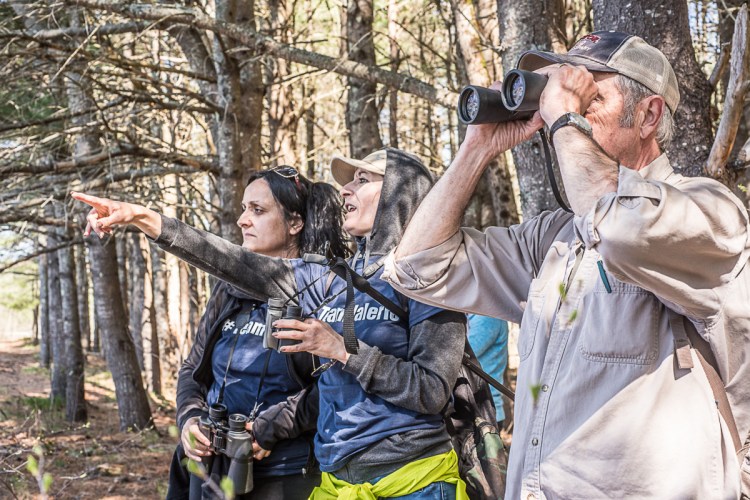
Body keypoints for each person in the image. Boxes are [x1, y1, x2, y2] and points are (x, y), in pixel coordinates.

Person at [382, 31, 750, 498]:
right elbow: (419, 267)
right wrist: (477, 147)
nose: (564, 106)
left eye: (588, 93)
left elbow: (622, 228)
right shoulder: (554, 237)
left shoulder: (709, 210)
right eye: (560, 91)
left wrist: (562, 118)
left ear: (648, 115)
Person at [74, 148, 468, 499]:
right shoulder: (329, 278)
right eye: (348, 182)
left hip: (413, 480)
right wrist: (145, 218)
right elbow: (231, 261)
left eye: (362, 180)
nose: (345, 190)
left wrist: (341, 350)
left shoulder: (430, 280)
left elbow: (432, 390)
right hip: (339, 480)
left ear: (401, 193)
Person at [153, 167, 348, 499]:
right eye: (244, 209)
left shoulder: (324, 291)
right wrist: (189, 419)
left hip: (286, 473)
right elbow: (192, 368)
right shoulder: (229, 290)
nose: (243, 220)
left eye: (257, 210)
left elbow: (337, 385)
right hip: (210, 468)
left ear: (295, 223)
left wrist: (268, 428)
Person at [466, 314, 508, 426]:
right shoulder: (473, 316)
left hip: (486, 412)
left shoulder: (489, 317)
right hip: (475, 411)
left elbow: (464, 353)